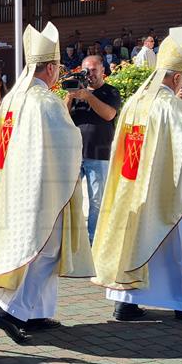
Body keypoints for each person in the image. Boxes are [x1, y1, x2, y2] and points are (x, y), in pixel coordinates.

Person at [0, 23, 94, 344]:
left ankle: (36, 313)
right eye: (58, 69)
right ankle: (11, 311)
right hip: (42, 187)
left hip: (15, 185)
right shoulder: (46, 101)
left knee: (34, 251)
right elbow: (67, 142)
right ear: (51, 68)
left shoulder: (14, 98)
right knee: (46, 251)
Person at [92, 37, 182, 321]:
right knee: (174, 244)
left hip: (130, 186)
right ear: (179, 77)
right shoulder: (172, 106)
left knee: (133, 241)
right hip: (162, 190)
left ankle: (126, 302)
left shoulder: (136, 101)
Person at [65, 55, 121, 243]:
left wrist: (88, 96)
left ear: (103, 71)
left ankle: (93, 240)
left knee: (97, 201)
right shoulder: (76, 93)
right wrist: (69, 96)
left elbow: (109, 114)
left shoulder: (110, 92)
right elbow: (63, 119)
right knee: (70, 197)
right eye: (85, 70)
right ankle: (72, 238)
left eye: (93, 70)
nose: (89, 74)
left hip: (99, 154)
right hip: (74, 154)